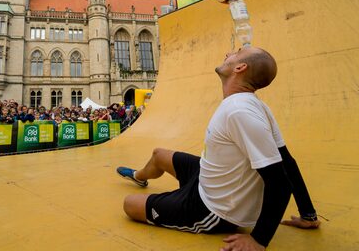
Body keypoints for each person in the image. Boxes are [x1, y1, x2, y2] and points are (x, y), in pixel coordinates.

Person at [116, 47, 320, 251]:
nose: (228, 53)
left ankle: (175, 201)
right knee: (158, 154)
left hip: (213, 208)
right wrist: (308, 214)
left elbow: (280, 181)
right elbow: (289, 162)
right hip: (207, 178)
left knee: (130, 204)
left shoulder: (240, 112)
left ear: (240, 67)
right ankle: (138, 176)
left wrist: (259, 239)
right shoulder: (252, 105)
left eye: (237, 52)